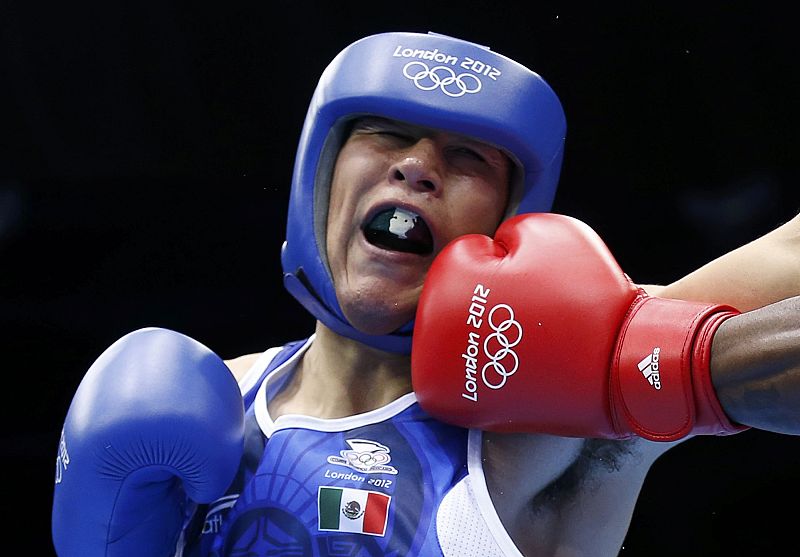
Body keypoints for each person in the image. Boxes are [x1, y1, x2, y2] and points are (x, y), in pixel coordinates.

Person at [50, 31, 800, 557]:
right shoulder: (211, 399)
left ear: (510, 220)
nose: (416, 167)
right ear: (321, 175)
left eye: (466, 154)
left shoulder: (545, 414)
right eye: (384, 133)